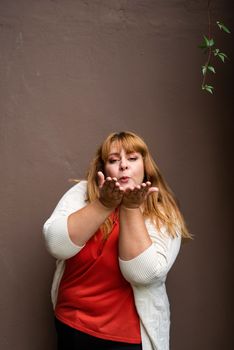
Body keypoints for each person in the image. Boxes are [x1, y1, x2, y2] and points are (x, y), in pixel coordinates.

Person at [43, 131, 191, 350]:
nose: (123, 165)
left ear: (145, 166)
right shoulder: (81, 193)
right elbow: (56, 245)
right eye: (114, 160)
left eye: (132, 158)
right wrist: (104, 204)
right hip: (70, 324)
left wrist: (130, 208)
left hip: (125, 338)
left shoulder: (162, 209)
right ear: (103, 168)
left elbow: (144, 273)